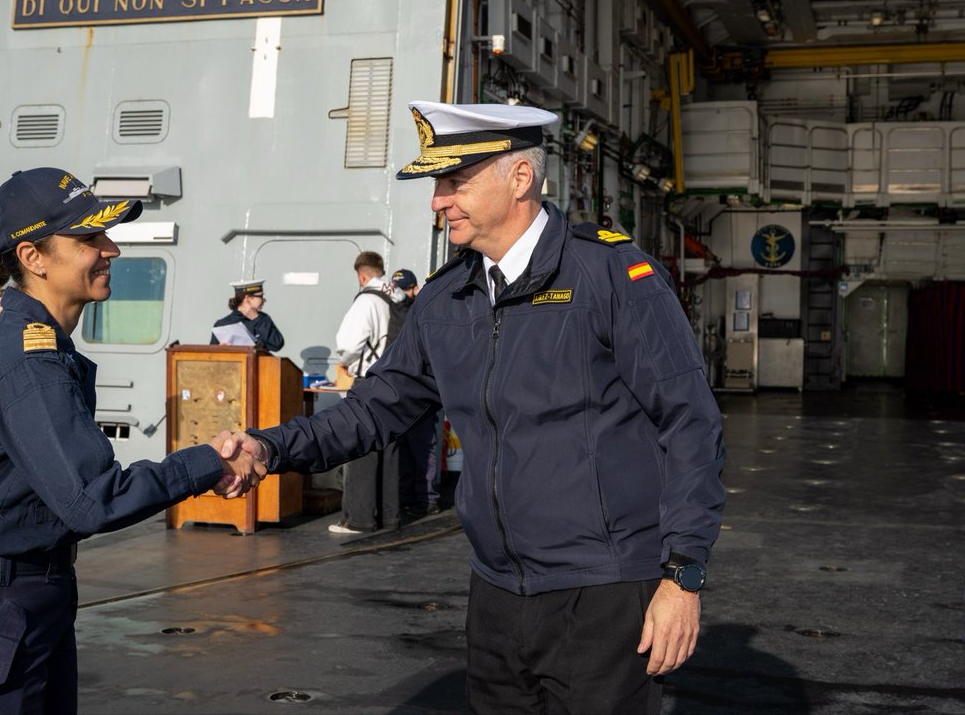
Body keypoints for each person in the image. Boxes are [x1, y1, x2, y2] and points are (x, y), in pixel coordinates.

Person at [217, 101, 727, 713]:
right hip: (495, 593)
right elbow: (377, 407)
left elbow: (690, 420)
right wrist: (272, 447)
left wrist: (683, 575)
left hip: (605, 588)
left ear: (519, 178)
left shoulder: (612, 275)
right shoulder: (446, 297)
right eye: (437, 184)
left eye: (454, 182)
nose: (437, 200)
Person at [0, 167, 265, 715]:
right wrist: (209, 461)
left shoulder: (41, 348)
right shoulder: (26, 357)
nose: (109, 249)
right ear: (33, 258)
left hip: (23, 603)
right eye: (88, 239)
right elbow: (92, 497)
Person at [326, 251, 403, 535]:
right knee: (389, 450)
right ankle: (390, 517)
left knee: (361, 450)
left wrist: (345, 360)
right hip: (396, 381)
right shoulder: (398, 296)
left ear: (361, 275)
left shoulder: (367, 300)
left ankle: (359, 519)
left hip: (369, 381)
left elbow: (348, 344)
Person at [390, 268, 441, 519]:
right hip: (402, 392)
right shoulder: (396, 309)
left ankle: (427, 498)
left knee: (423, 449)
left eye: (405, 289)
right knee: (407, 449)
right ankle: (409, 495)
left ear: (414, 288)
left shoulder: (423, 310)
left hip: (421, 392)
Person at [210, 279, 284, 351]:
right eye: (261, 296)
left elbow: (277, 345)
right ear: (248, 298)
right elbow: (210, 357)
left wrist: (256, 319)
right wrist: (219, 349)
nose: (264, 300)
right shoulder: (221, 324)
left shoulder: (262, 319)